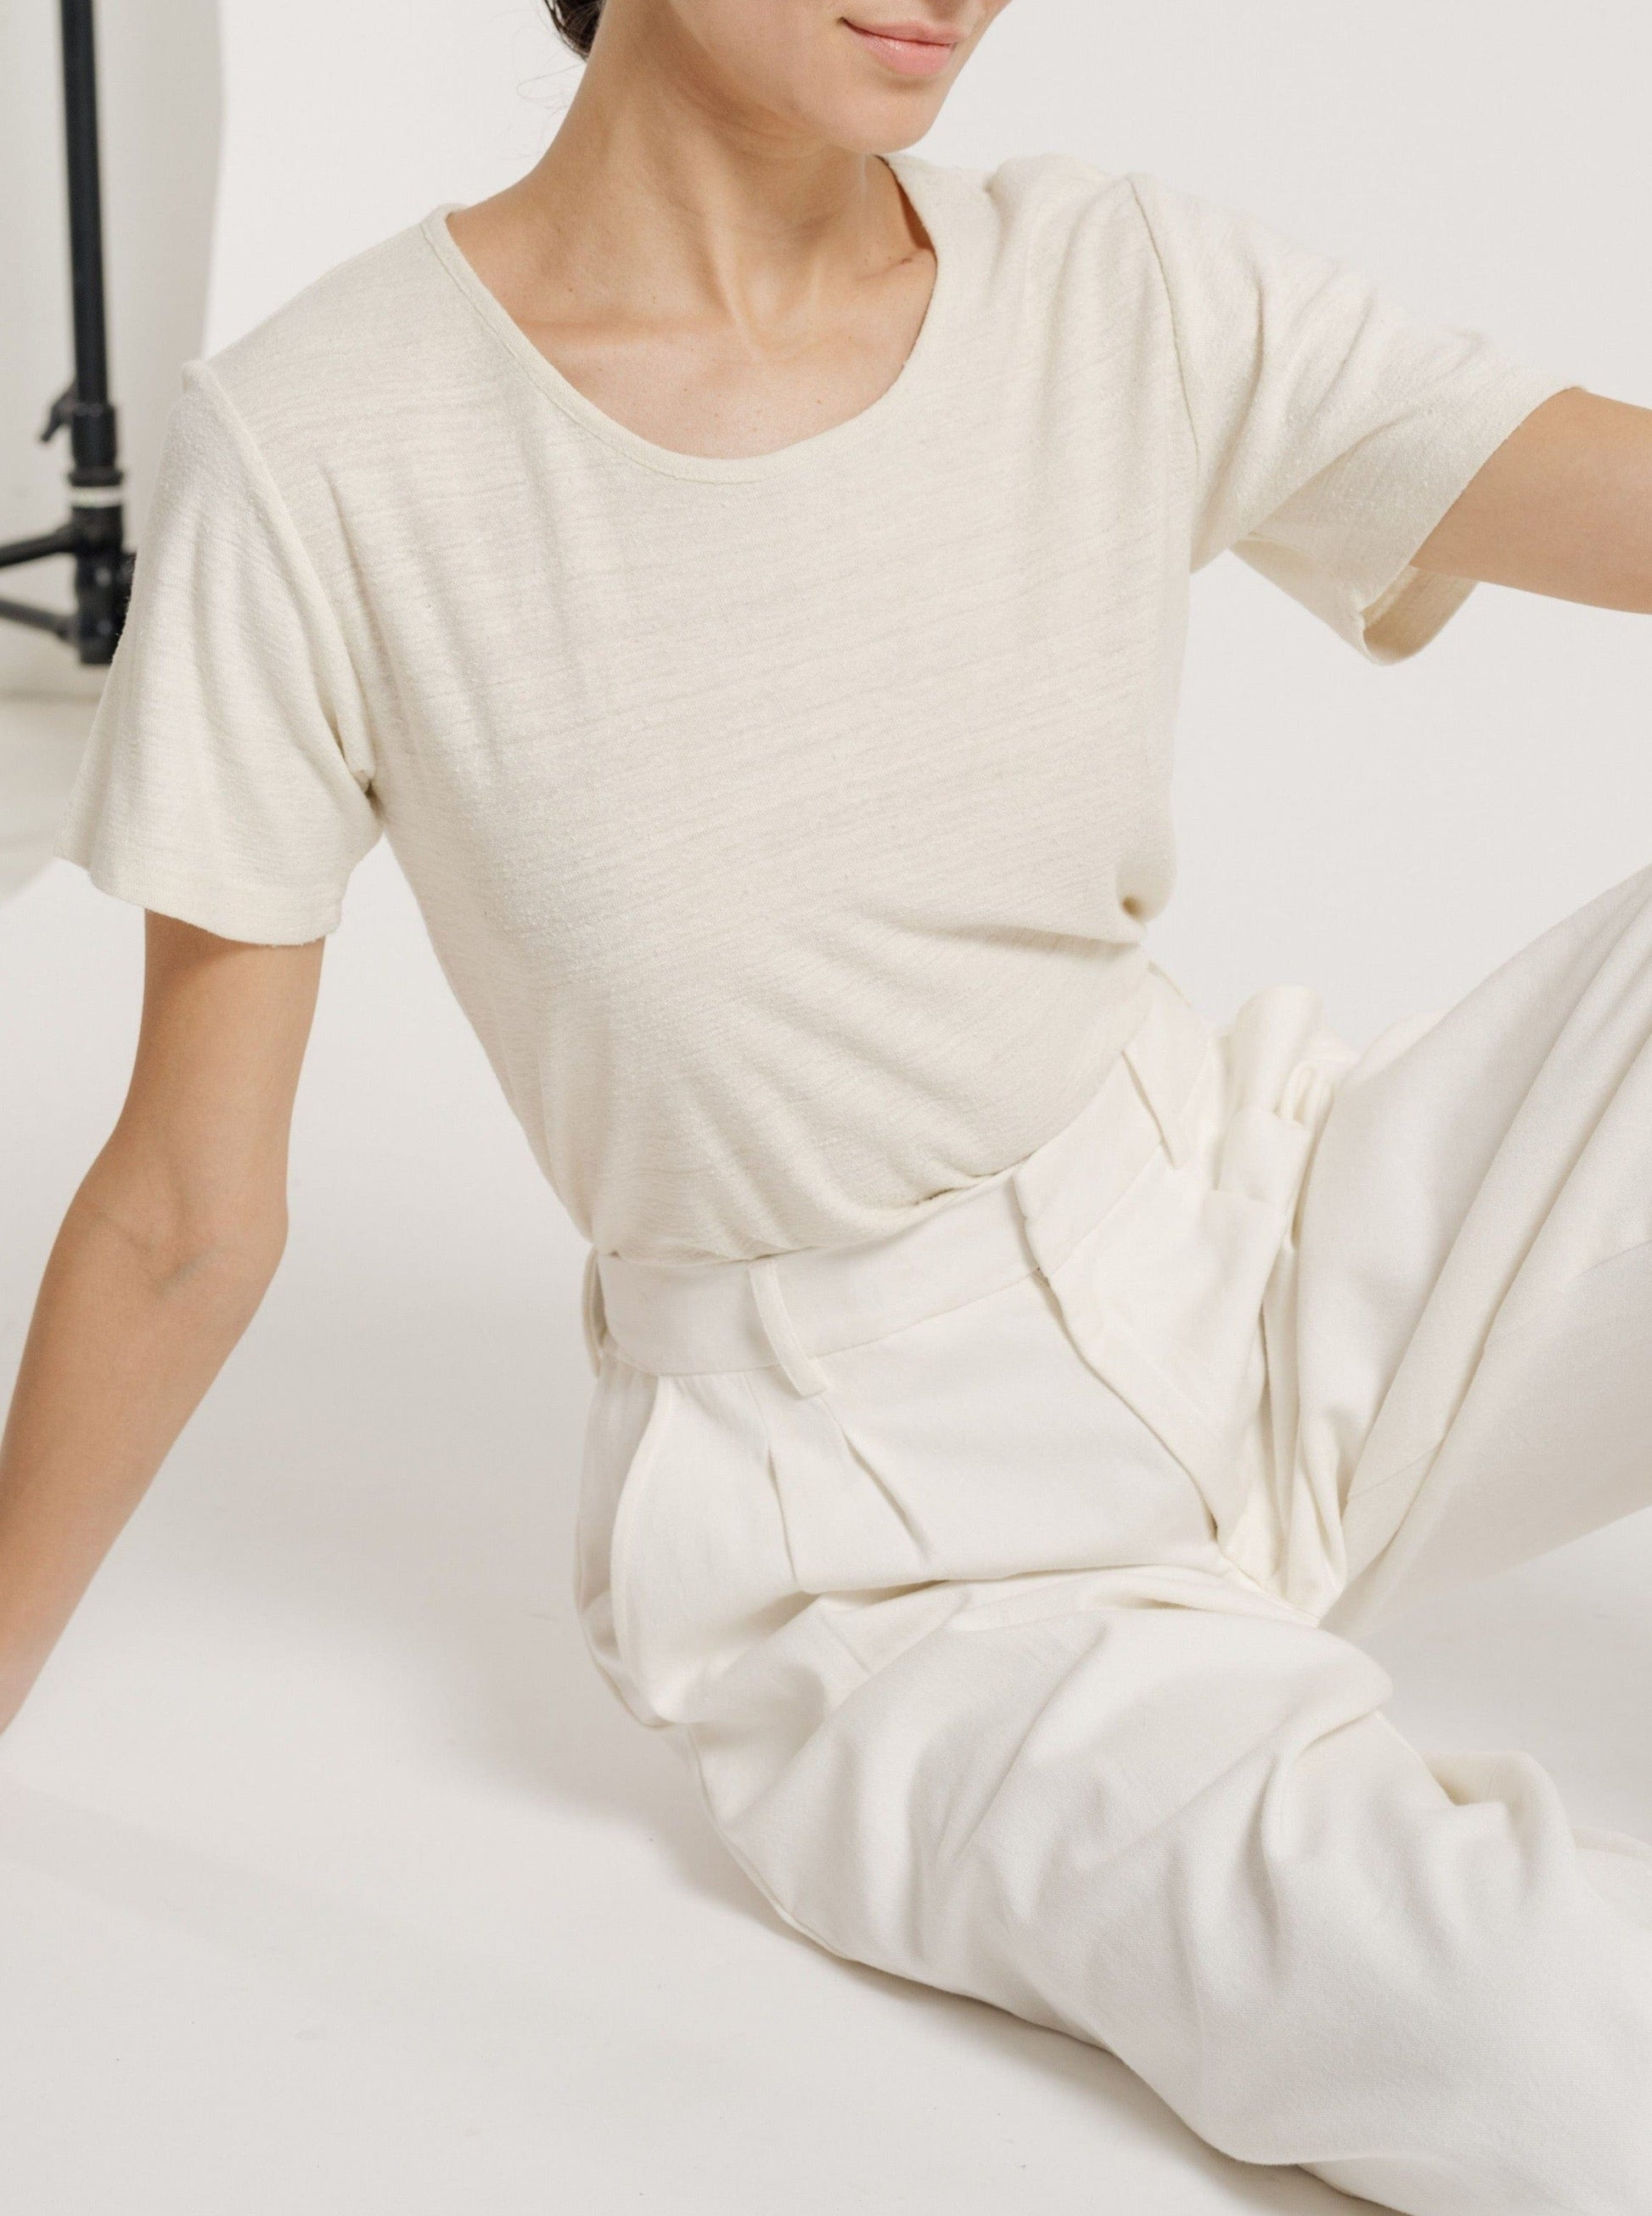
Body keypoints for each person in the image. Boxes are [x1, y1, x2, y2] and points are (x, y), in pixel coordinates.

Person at [4, 0, 1650, 2203]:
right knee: (1537, 2047)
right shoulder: (324, 450)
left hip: (1275, 1261)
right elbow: (185, 1210)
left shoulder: (1108, 280)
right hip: (896, 1564)